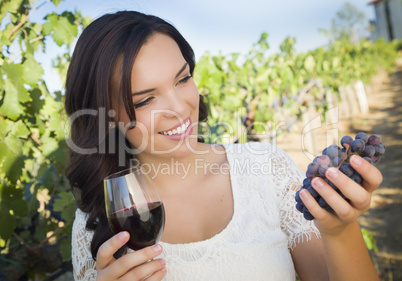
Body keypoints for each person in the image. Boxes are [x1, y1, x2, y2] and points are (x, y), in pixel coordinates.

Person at [65, 11, 382, 281]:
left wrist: (340, 230)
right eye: (146, 99)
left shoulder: (264, 166)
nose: (180, 107)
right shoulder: (94, 225)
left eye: (183, 79)